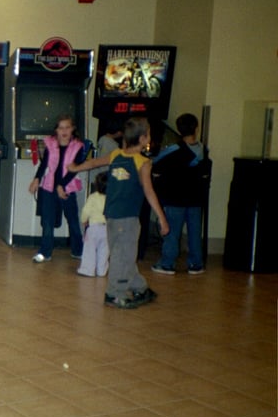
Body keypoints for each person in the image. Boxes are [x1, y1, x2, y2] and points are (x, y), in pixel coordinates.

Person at [68, 117, 169, 309]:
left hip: (112, 216)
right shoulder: (143, 163)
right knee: (123, 255)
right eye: (148, 134)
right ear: (142, 139)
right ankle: (115, 293)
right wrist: (162, 220)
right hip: (128, 217)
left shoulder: (116, 155)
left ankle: (139, 286)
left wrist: (75, 168)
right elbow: (149, 191)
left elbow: (94, 163)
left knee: (123, 253)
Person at [151, 113, 212, 275]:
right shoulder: (203, 150)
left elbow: (156, 165)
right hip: (196, 198)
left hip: (174, 198)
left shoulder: (173, 150)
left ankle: (167, 263)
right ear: (196, 129)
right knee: (194, 232)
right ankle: (196, 264)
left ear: (178, 129)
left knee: (172, 232)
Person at [28, 114, 87, 263]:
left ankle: (78, 250)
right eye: (61, 128)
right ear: (56, 130)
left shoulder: (78, 146)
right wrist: (37, 179)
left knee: (72, 220)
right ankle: (45, 251)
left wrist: (62, 185)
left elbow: (75, 169)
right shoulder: (51, 144)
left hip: (68, 187)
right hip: (49, 187)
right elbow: (44, 164)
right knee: (47, 221)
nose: (64, 131)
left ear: (73, 129)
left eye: (67, 127)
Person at [76, 171, 108, 277]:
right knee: (104, 250)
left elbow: (86, 211)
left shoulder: (93, 197)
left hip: (93, 227)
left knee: (89, 249)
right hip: (107, 228)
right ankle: (101, 270)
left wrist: (83, 220)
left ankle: (88, 270)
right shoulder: (112, 198)